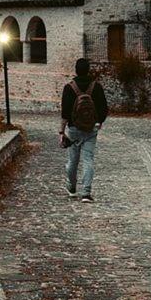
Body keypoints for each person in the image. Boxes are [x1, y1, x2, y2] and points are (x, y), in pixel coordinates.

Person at [59, 58, 108, 202]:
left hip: (73, 129)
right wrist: (99, 122)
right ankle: (86, 193)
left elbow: (65, 112)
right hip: (91, 129)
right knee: (88, 160)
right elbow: (103, 108)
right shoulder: (96, 87)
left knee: (72, 160)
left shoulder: (69, 88)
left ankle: (72, 187)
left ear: (76, 70)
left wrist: (61, 132)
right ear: (88, 70)